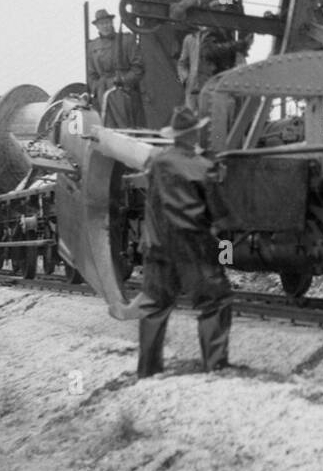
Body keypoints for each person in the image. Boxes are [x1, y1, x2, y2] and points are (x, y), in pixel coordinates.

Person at [87, 107, 234, 375]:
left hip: (156, 246)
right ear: (194, 134)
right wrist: (226, 249)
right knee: (215, 301)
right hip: (194, 248)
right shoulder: (205, 167)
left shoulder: (157, 163)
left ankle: (148, 369)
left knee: (154, 305)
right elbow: (220, 215)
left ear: (175, 136)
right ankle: (215, 367)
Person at [87, 8, 145, 127]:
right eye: (101, 24)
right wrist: (97, 87)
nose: (105, 26)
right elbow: (91, 74)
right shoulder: (92, 47)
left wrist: (123, 81)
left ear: (112, 22)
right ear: (97, 27)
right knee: (105, 128)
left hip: (124, 92)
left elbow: (138, 68)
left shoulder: (126, 40)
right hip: (103, 94)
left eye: (107, 22)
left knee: (126, 129)